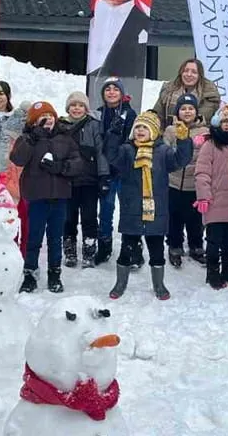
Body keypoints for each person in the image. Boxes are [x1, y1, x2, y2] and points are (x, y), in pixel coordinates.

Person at [108, 110, 193, 300]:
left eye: (144, 128)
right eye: (137, 127)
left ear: (154, 131)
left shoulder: (163, 152)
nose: (140, 130)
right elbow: (111, 156)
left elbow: (181, 159)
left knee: (156, 250)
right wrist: (114, 134)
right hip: (132, 208)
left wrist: (183, 139)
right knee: (127, 248)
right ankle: (120, 283)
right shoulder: (126, 151)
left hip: (157, 209)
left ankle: (159, 284)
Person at [9, 101, 85, 293]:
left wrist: (61, 167)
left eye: (50, 115)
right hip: (36, 198)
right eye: (43, 117)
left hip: (59, 197)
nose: (48, 119)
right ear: (34, 122)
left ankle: (54, 274)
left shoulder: (65, 138)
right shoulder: (27, 138)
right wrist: (33, 138)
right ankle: (30, 274)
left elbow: (78, 163)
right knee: (34, 238)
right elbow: (17, 158)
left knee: (55, 238)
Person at [195, 104, 228, 289]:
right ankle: (212, 272)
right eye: (224, 121)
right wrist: (204, 196)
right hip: (215, 202)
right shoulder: (210, 144)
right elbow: (202, 172)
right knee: (214, 239)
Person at [60, 91, 110, 269]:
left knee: (89, 217)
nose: (77, 108)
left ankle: (89, 251)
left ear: (86, 109)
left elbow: (100, 151)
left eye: (80, 105)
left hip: (89, 181)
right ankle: (70, 250)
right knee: (68, 218)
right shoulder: (61, 125)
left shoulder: (93, 125)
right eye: (73, 105)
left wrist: (103, 175)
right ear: (68, 108)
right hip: (67, 181)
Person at [94, 76, 137, 265]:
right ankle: (104, 246)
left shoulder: (130, 114)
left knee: (129, 211)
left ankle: (133, 248)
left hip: (126, 170)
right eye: (108, 89)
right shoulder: (98, 114)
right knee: (105, 211)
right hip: (105, 171)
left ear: (121, 93)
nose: (111, 92)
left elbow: (134, 141)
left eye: (115, 89)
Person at [163, 93, 209, 268]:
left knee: (195, 218)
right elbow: (165, 153)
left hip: (195, 184)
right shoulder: (171, 130)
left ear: (196, 111)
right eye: (183, 108)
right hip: (174, 182)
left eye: (191, 108)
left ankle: (196, 245)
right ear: (177, 112)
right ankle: (174, 245)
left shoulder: (205, 132)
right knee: (174, 217)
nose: (187, 111)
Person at [154, 58, 222, 126]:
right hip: (169, 133)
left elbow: (205, 119)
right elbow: (157, 116)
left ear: (200, 75)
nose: (189, 74)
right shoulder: (168, 90)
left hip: (198, 133)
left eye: (194, 72)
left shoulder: (210, 94)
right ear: (181, 73)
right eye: (186, 71)